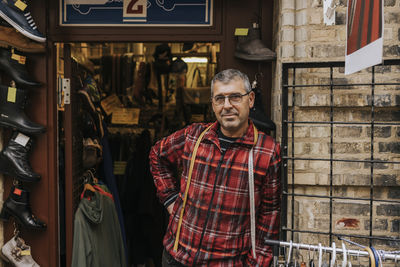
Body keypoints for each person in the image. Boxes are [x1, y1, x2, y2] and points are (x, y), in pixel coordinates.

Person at [149, 69, 281, 266]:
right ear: (213, 104)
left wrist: (257, 263)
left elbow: (269, 215)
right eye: (220, 99)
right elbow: (157, 155)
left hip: (226, 262)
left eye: (235, 97)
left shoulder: (267, 151)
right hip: (177, 257)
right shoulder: (194, 136)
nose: (227, 106)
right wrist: (170, 199)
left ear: (250, 99)